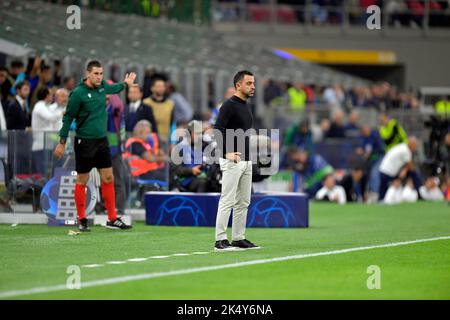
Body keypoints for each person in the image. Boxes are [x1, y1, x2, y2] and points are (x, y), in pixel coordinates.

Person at [54, 60, 136, 232]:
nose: (99, 77)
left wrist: (126, 84)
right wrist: (62, 143)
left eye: (101, 73)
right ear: (87, 74)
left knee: (108, 178)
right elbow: (68, 118)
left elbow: (116, 88)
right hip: (84, 142)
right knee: (82, 180)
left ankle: (112, 218)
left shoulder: (103, 87)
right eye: (96, 74)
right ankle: (82, 219)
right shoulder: (77, 93)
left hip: (101, 142)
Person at [213, 70, 260, 251]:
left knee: (243, 202)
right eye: (249, 83)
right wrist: (226, 153)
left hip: (246, 160)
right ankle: (220, 240)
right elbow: (217, 129)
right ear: (238, 85)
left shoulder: (245, 105)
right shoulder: (229, 105)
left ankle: (238, 238)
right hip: (232, 160)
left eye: (253, 83)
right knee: (227, 200)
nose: (253, 86)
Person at [378, 136, 421, 201]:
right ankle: (419, 193)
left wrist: (405, 170)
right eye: (415, 145)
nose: (415, 147)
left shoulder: (402, 146)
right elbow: (410, 166)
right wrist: (406, 171)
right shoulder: (406, 151)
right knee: (384, 189)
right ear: (411, 144)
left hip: (385, 168)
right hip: (388, 171)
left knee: (384, 188)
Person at [31, 87, 63, 174]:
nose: (52, 97)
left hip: (47, 145)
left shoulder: (46, 106)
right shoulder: (39, 106)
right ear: (47, 96)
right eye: (51, 95)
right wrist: (62, 113)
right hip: (40, 146)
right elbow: (51, 118)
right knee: (42, 174)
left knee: (48, 172)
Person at [143, 78, 175, 144]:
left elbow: (173, 124)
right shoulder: (146, 103)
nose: (161, 88)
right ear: (152, 88)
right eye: (158, 86)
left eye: (163, 86)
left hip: (165, 139)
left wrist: (173, 142)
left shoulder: (170, 104)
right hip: (149, 139)